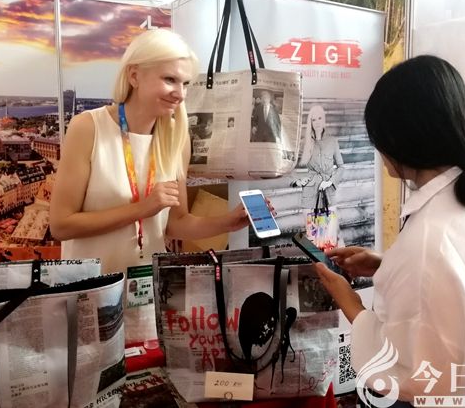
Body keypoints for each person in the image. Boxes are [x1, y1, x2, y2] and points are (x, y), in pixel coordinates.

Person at [314, 56, 465, 401]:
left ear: (399, 139)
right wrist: (387, 264)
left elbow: (410, 369)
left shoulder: (430, 236)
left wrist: (351, 303)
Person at [50, 29, 261, 341]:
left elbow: (176, 224)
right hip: (90, 295)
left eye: (185, 83)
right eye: (170, 79)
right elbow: (61, 225)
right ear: (134, 75)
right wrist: (142, 208)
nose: (180, 93)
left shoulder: (176, 138)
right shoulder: (88, 128)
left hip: (146, 297)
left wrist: (229, 222)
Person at [291, 104, 344, 210]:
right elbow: (289, 165)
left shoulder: (332, 141)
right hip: (310, 194)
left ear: (323, 119)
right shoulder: (304, 143)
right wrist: (298, 181)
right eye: (313, 120)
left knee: (330, 221)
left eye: (319, 118)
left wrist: (330, 182)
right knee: (310, 221)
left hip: (328, 192)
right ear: (310, 122)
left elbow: (341, 167)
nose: (317, 122)